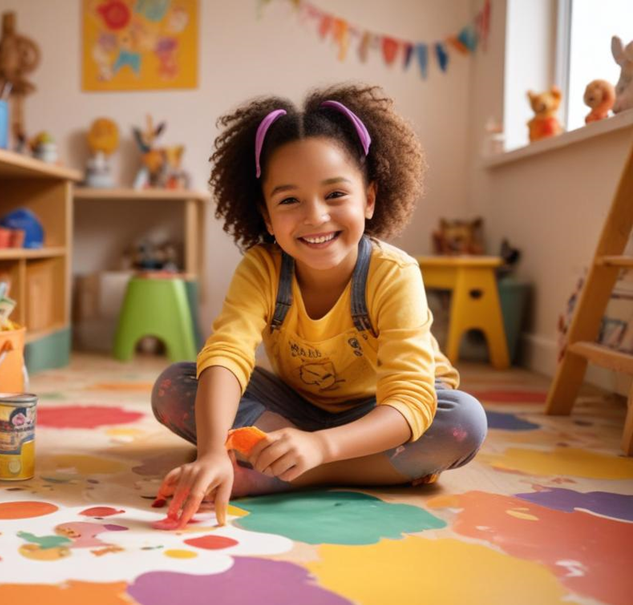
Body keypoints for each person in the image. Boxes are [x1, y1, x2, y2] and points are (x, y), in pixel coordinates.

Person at [151, 85, 487, 528]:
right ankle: (300, 459)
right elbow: (228, 352)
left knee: (463, 421)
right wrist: (213, 451)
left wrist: (320, 448)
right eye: (290, 200)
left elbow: (410, 398)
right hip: (294, 408)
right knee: (175, 385)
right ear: (267, 218)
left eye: (335, 195)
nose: (315, 216)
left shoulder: (393, 273)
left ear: (368, 199)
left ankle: (284, 472)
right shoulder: (262, 269)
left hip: (379, 415)